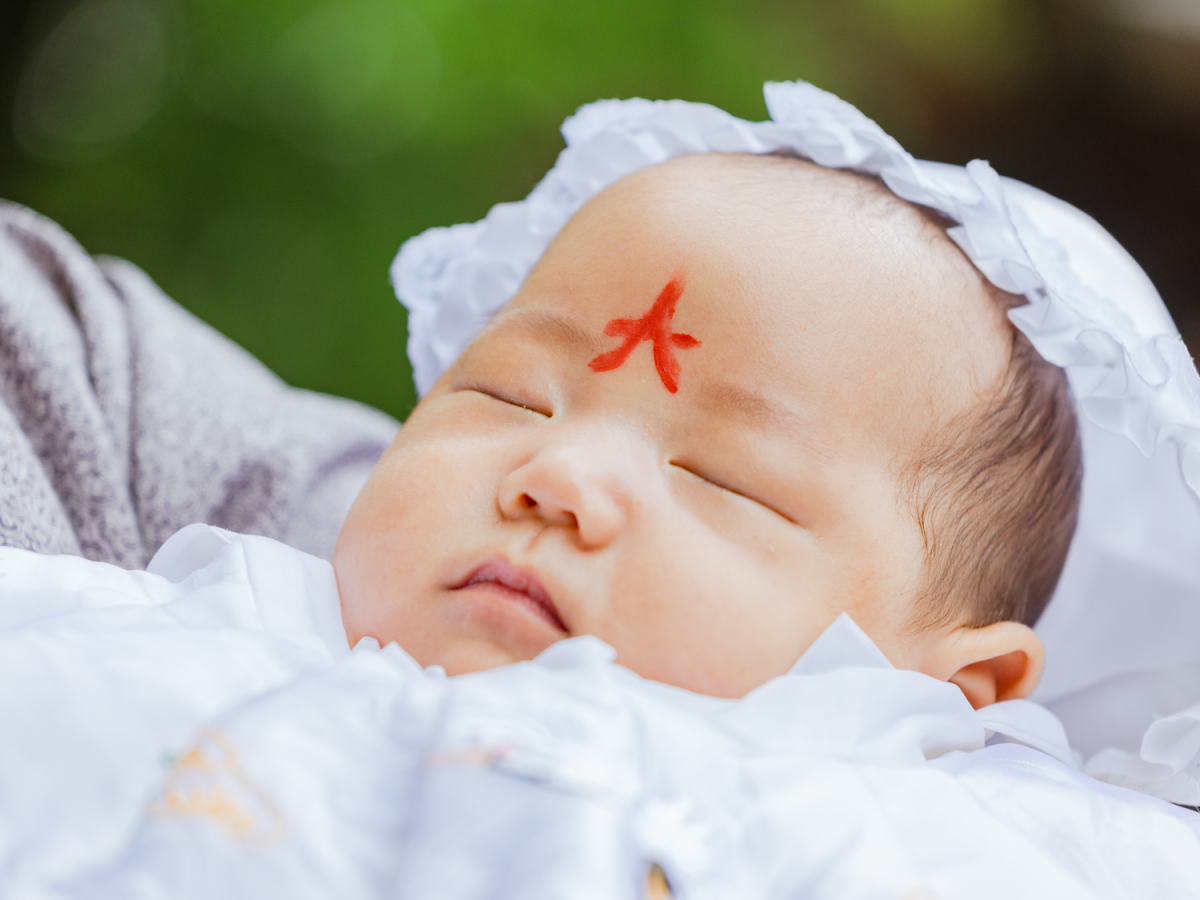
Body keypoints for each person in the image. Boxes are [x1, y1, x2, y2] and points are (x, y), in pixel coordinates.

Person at [335, 149, 1080, 706]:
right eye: (511, 396)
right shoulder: (235, 612)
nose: (560, 475)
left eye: (726, 479)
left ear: (942, 694)